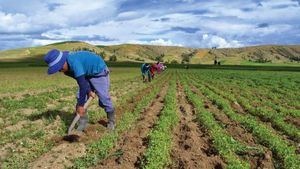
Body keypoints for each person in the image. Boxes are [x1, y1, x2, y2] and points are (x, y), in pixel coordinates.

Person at [44, 49, 115, 131]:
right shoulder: (66, 70)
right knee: (80, 98)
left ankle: (111, 121)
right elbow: (82, 82)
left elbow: (82, 86)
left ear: (64, 61)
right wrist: (89, 91)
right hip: (86, 74)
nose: (60, 70)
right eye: (57, 69)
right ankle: (83, 123)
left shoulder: (74, 62)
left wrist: (81, 106)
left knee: (104, 99)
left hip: (98, 71)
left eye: (60, 67)